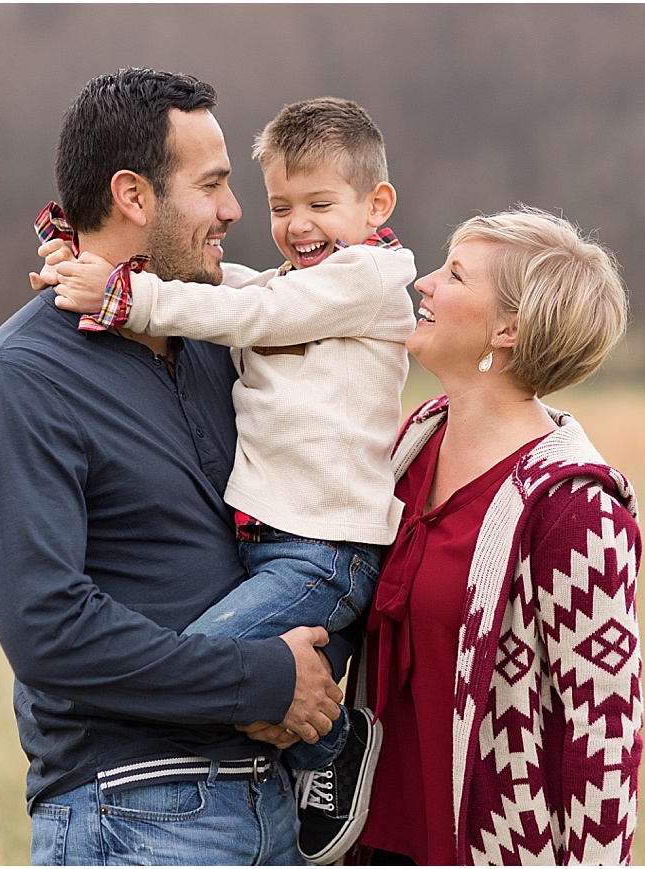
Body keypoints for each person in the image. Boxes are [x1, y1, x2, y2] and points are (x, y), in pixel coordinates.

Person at [0, 68, 347, 866]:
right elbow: (49, 630)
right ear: (133, 196)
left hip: (275, 806)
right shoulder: (18, 380)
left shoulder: (222, 346)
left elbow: (309, 522)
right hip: (131, 811)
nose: (235, 210)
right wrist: (264, 680)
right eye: (212, 185)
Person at [33, 96, 415, 864]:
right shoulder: (297, 285)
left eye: (319, 205)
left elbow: (252, 314)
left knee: (204, 660)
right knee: (227, 673)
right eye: (281, 206)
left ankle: (334, 741)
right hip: (275, 543)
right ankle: (303, 738)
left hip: (324, 550)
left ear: (377, 205)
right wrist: (104, 267)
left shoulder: (371, 276)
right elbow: (245, 291)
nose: (296, 224)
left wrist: (125, 296)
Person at [343, 206, 644, 864]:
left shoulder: (573, 511)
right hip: (365, 841)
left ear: (509, 328)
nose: (423, 282)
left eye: (454, 274)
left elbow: (604, 738)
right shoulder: (410, 447)